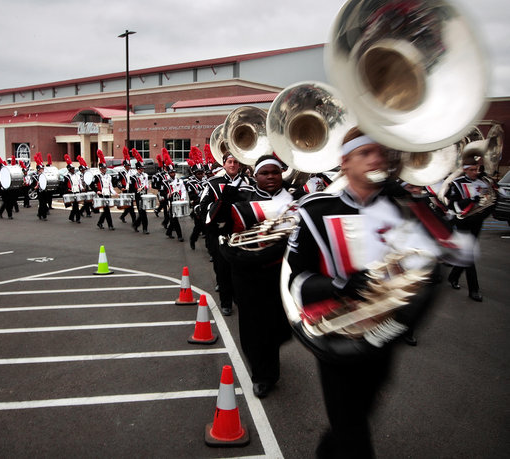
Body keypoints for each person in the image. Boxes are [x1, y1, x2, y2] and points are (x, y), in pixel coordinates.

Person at [286, 127, 474, 459]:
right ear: (344, 163)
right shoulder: (316, 209)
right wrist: (338, 285)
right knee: (354, 432)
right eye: (366, 153)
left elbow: (461, 253)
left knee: (358, 414)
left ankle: (328, 451)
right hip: (338, 335)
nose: (378, 159)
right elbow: (295, 279)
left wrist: (416, 203)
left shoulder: (402, 205)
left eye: (381, 152)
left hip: (387, 332)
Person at [220, 155, 297, 398]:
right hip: (246, 274)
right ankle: (263, 375)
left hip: (279, 272)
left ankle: (268, 358)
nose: (271, 177)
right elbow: (216, 228)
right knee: (253, 326)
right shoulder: (242, 199)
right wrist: (223, 202)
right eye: (265, 173)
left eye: (276, 172)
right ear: (255, 176)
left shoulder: (294, 201)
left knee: (278, 325)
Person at [199, 152, 254, 315]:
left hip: (242, 233)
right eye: (229, 162)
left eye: (235, 162)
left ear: (239, 165)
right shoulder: (213, 183)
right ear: (224, 164)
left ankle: (239, 297)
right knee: (222, 268)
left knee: (240, 268)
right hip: (220, 232)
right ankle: (226, 302)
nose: (232, 165)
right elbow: (202, 207)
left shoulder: (249, 183)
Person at [446, 151, 496, 302]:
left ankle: (453, 277)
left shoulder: (483, 182)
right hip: (463, 222)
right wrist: (470, 200)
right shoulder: (457, 183)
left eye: (477, 169)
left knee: (467, 253)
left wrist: (485, 210)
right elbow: (453, 206)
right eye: (472, 170)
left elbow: (490, 202)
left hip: (477, 221)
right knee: (469, 255)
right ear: (465, 169)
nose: (476, 172)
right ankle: (474, 290)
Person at [93, 152, 116, 230]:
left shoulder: (109, 176)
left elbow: (110, 186)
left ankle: (100, 222)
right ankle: (110, 225)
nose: (104, 170)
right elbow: (92, 185)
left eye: (105, 168)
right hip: (101, 194)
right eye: (102, 168)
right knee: (107, 210)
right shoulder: (97, 176)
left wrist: (114, 193)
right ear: (100, 169)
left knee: (106, 209)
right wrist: (97, 191)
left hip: (107, 194)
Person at [165, 166, 187, 241]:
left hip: (178, 200)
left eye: (173, 172)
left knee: (173, 218)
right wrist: (168, 195)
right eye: (171, 173)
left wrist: (183, 198)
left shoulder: (179, 181)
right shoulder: (166, 182)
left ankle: (169, 232)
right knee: (175, 218)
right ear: (168, 173)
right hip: (171, 201)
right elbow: (163, 192)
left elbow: (183, 190)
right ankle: (179, 236)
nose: (172, 174)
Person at [132, 162, 150, 234]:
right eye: (141, 168)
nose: (142, 170)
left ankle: (136, 225)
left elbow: (146, 185)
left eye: (143, 168)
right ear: (137, 169)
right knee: (142, 213)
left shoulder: (145, 175)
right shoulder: (133, 177)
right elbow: (131, 188)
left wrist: (145, 188)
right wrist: (137, 190)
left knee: (143, 212)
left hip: (144, 196)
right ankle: (144, 229)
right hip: (138, 196)